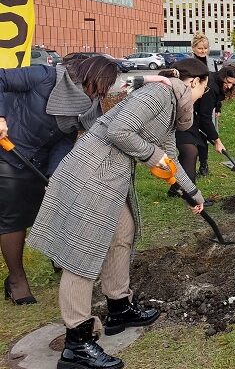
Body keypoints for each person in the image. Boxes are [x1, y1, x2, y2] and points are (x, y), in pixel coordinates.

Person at [28, 59, 207, 369]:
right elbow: (119, 130)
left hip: (111, 180)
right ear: (193, 83)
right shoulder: (158, 96)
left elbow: (169, 156)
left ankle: (119, 307)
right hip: (93, 177)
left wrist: (191, 192)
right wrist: (152, 156)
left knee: (122, 235)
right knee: (81, 258)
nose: (204, 95)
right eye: (204, 88)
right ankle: (78, 344)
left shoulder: (169, 105)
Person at [0, 56, 118, 305]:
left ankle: (59, 258)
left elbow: (64, 139)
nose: (101, 93)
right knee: (13, 216)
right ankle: (16, 279)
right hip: (8, 151)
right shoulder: (45, 77)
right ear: (90, 75)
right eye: (100, 86)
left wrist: (56, 174)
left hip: (39, 158)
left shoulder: (87, 105)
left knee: (55, 207)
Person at [174, 65, 235, 197]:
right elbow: (205, 117)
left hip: (191, 115)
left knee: (192, 150)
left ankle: (176, 188)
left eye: (232, 84)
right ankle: (190, 194)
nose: (229, 86)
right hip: (183, 115)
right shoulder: (211, 87)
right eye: (228, 82)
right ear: (222, 76)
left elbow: (212, 104)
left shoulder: (216, 83)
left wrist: (217, 107)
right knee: (190, 152)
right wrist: (217, 140)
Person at [191, 32, 217, 176]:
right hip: (192, 104)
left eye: (205, 48)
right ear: (194, 48)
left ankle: (204, 164)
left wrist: (217, 105)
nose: (203, 51)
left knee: (205, 135)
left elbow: (216, 84)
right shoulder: (189, 63)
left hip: (207, 104)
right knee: (194, 135)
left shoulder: (212, 62)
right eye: (200, 48)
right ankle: (191, 164)